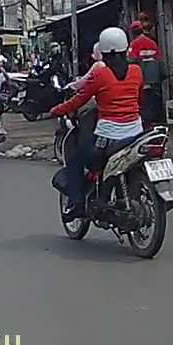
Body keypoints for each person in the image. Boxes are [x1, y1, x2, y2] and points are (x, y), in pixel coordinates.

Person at [50, 27, 145, 221]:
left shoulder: (100, 75)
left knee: (77, 158)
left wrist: (56, 110)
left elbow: (79, 100)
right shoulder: (136, 71)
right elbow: (139, 97)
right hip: (136, 132)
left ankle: (77, 203)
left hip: (109, 137)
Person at [129, 21, 164, 127]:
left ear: (132, 32)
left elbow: (130, 60)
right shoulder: (152, 43)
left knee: (143, 103)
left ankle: (145, 122)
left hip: (141, 80)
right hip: (154, 80)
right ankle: (153, 121)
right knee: (153, 102)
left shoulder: (134, 44)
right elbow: (160, 60)